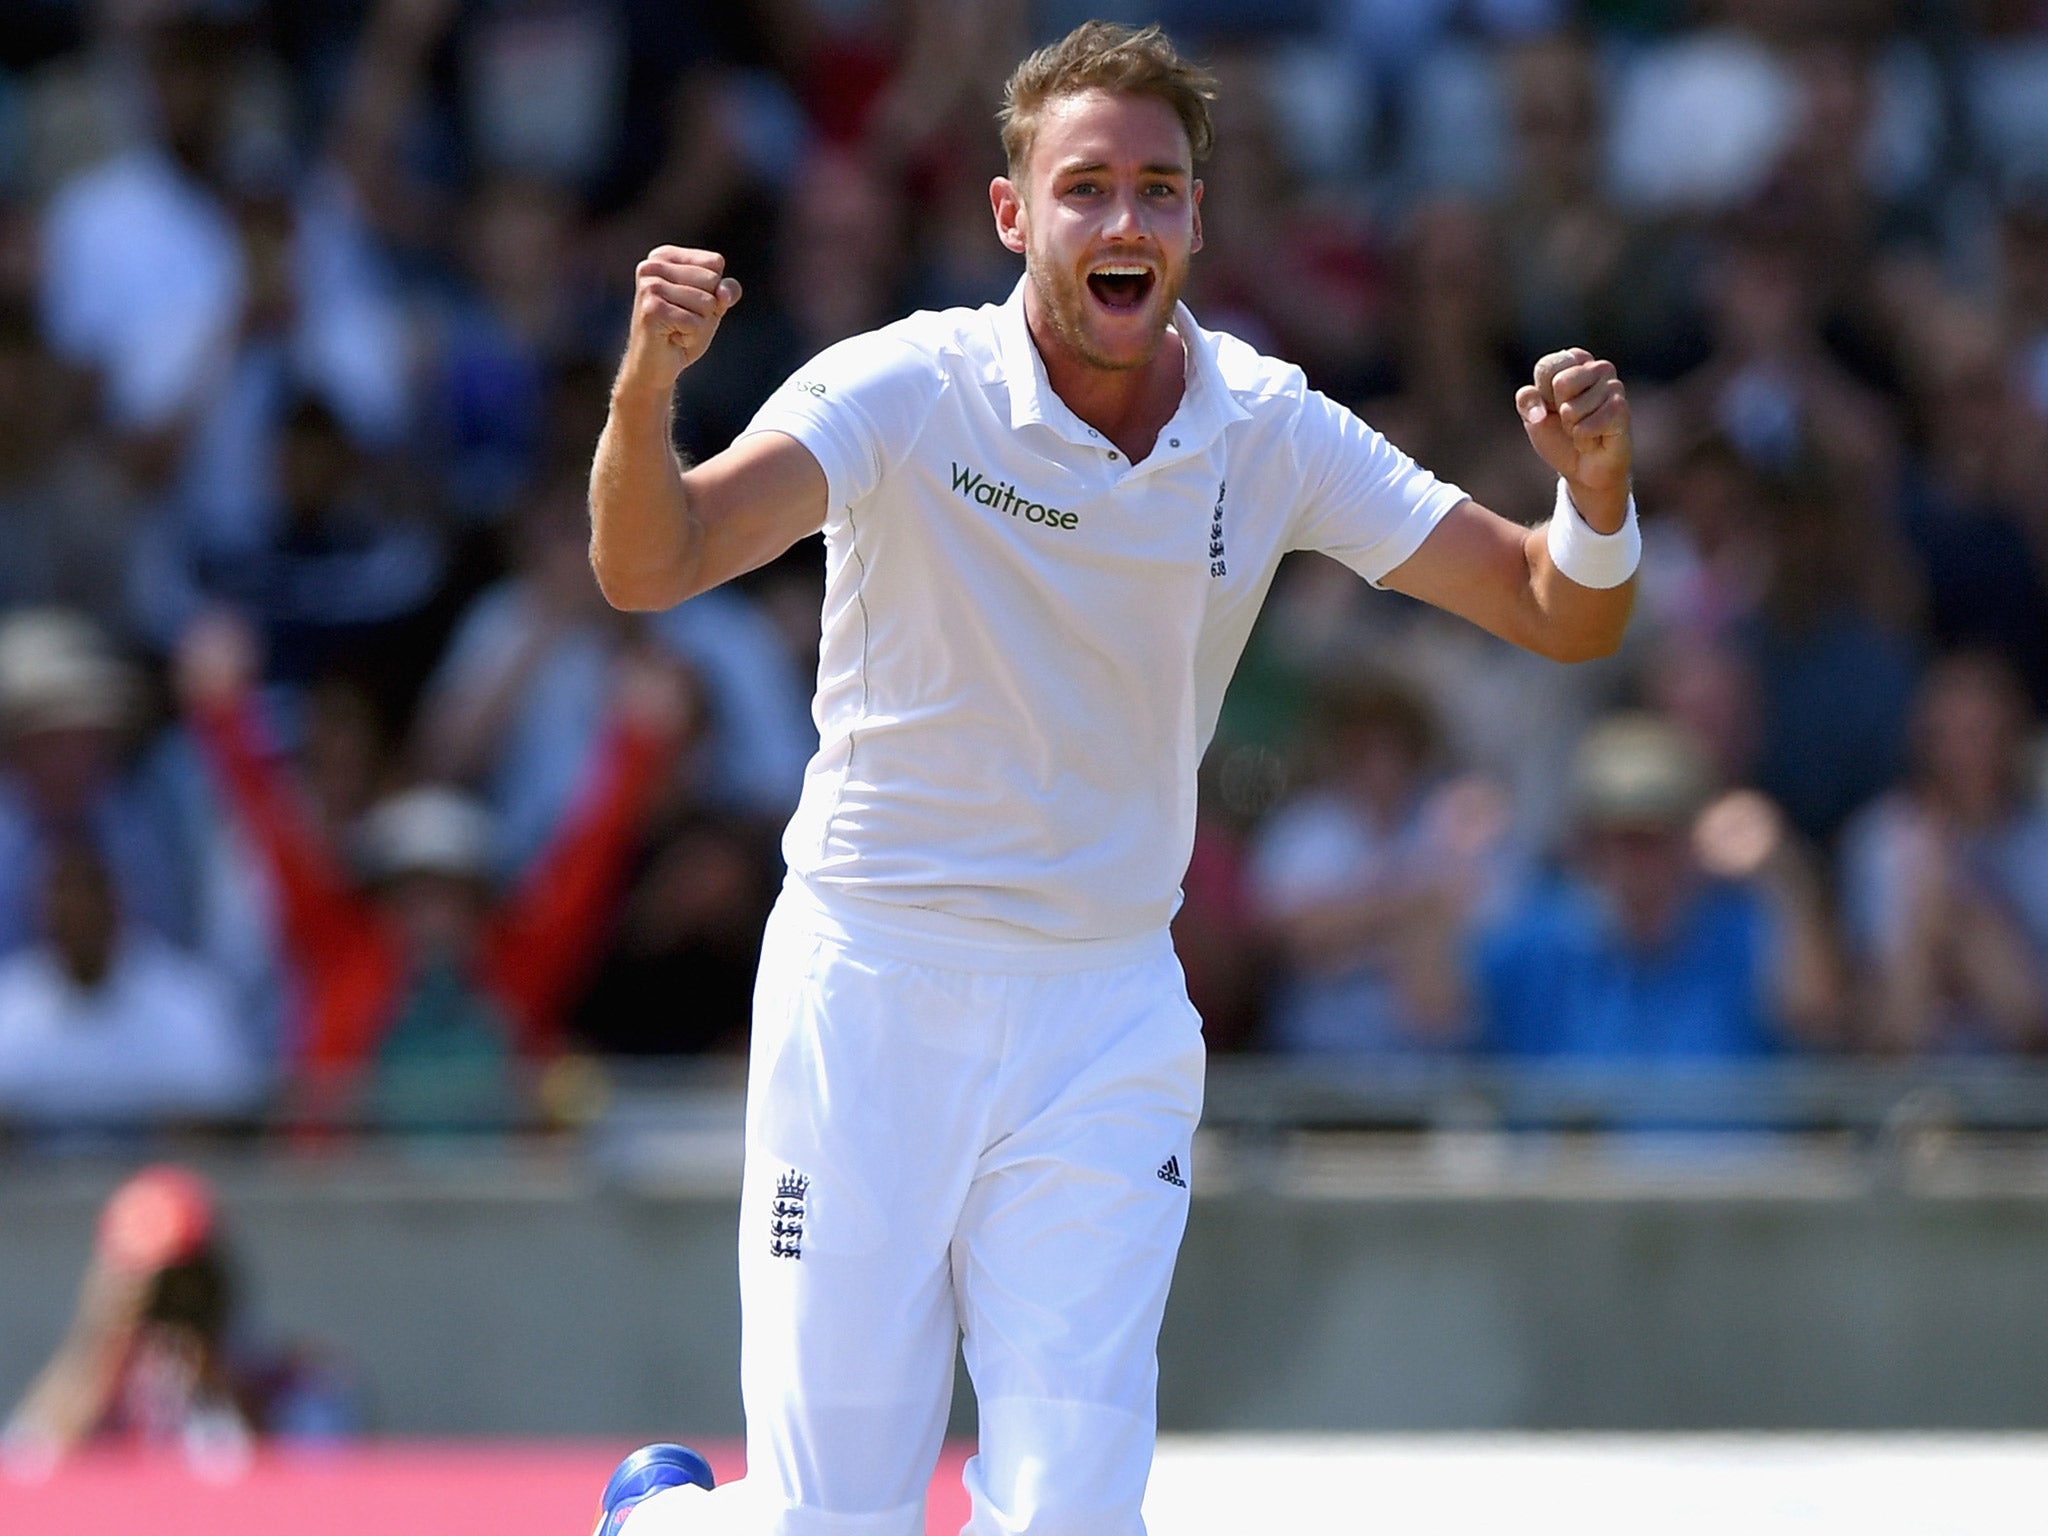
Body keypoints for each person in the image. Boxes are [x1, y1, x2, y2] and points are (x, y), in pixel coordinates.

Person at [585, 22, 1637, 1536]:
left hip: (1103, 1016)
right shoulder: (905, 389)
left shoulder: (1265, 428)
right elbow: (649, 558)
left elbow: (1561, 606)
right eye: (1086, 189)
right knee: (840, 1523)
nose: (1125, 222)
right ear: (1012, 214)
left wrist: (1595, 495)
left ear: (1201, 217)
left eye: (1159, 189)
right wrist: (643, 390)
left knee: (1074, 1522)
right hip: (873, 988)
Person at [1475, 713, 1841, 1062]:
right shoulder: (1539, 936)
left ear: (1693, 839)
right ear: (1585, 843)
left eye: (1657, 836)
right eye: (1619, 837)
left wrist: (1784, 877)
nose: (1637, 860)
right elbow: (1441, 1019)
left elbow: (1818, 1021)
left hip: (1725, 1129)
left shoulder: (1744, 929)